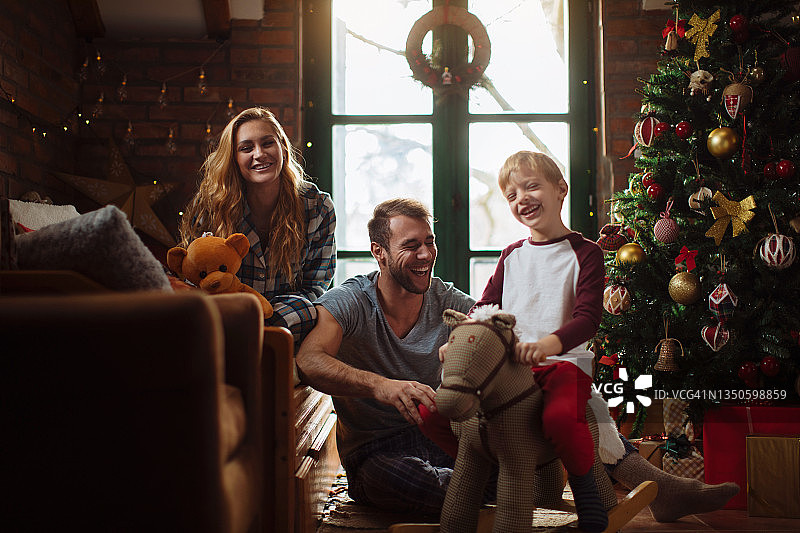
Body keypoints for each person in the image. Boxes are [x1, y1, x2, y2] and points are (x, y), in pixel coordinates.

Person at [295, 197, 739, 522]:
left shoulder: (447, 299)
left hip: (445, 435)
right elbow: (310, 360)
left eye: (430, 242)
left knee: (551, 398)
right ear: (379, 251)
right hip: (378, 451)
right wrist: (381, 385)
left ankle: (658, 487)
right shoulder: (352, 301)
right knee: (442, 486)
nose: (426, 254)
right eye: (411, 245)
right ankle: (523, 497)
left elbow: (507, 337)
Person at [426, 151, 607, 532]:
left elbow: (587, 319)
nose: (521, 198)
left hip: (562, 365)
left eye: (531, 186)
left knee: (560, 419)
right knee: (436, 413)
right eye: (511, 195)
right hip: (510, 369)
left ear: (561, 189)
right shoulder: (512, 255)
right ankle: (491, 466)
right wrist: (459, 343)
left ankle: (587, 493)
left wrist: (546, 346)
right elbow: (483, 308)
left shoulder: (586, 253)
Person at [178, 107, 336, 345]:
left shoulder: (318, 206)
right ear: (233, 158)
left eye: (267, 143)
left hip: (286, 320)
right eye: (246, 148)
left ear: (283, 147)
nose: (259, 154)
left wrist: (260, 320)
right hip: (225, 317)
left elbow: (315, 287)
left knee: (309, 310)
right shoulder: (211, 206)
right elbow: (194, 280)